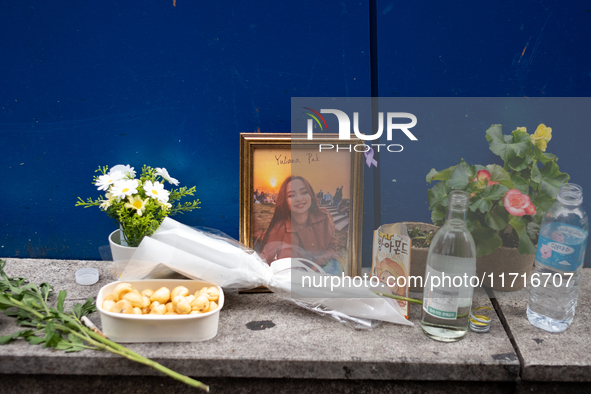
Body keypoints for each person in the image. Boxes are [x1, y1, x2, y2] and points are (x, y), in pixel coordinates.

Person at [259, 176, 342, 274]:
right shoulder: (279, 228)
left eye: (304, 192)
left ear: (310, 194)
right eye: (292, 195)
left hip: (322, 269)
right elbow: (264, 260)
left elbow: (332, 247)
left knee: (335, 269)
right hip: (293, 278)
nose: (299, 198)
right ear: (285, 201)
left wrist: (316, 267)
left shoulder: (323, 216)